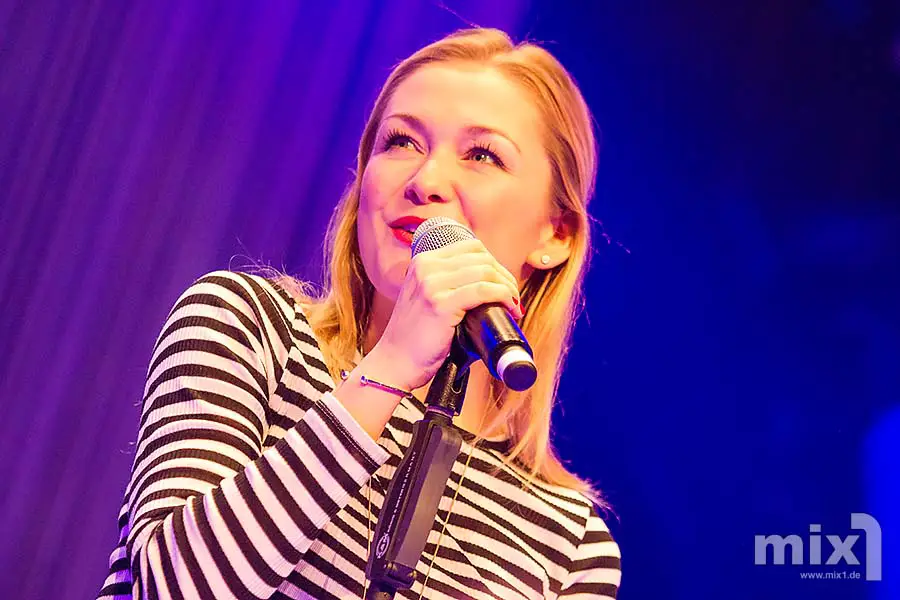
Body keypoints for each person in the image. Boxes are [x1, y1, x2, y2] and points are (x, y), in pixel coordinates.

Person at [97, 27, 621, 600]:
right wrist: (392, 365)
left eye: (481, 155)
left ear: (555, 234)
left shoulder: (572, 546)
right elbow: (172, 586)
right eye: (401, 142)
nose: (425, 181)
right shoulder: (247, 328)